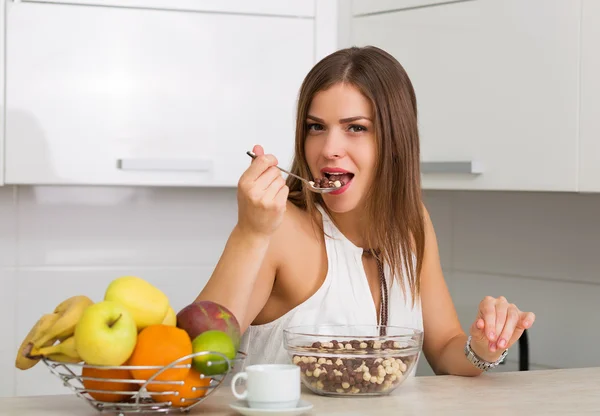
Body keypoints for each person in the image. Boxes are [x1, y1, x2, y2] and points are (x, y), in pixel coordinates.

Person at [196, 45, 535, 377]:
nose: (329, 149)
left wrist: (484, 348)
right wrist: (249, 233)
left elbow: (445, 346)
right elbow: (195, 359)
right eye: (316, 127)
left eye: (355, 128)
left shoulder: (411, 223)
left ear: (395, 139)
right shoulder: (279, 228)